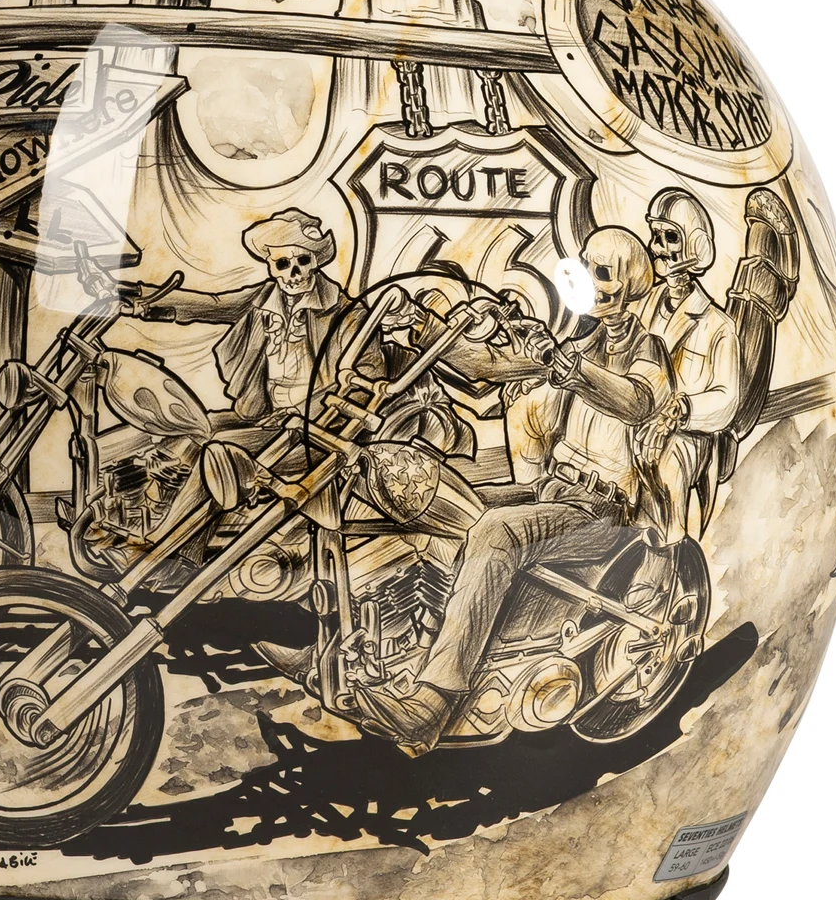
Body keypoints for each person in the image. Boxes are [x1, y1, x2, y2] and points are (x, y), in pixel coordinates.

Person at [344, 226, 675, 756]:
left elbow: (638, 401)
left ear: (632, 282)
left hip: (604, 511)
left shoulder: (647, 348)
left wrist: (572, 369)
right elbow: (485, 368)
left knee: (497, 533)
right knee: (426, 497)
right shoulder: (580, 343)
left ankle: (433, 703)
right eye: (586, 267)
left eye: (604, 273)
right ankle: (351, 652)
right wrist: (423, 326)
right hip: (553, 494)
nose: (590, 281)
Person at [122, 209, 347, 439]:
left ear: (316, 261)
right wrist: (141, 295)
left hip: (314, 424)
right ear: (270, 266)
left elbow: (355, 378)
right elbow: (213, 304)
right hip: (263, 413)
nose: (295, 273)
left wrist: (302, 412)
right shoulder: (263, 296)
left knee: (218, 447)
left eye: (303, 260)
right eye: (282, 263)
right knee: (188, 432)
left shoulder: (344, 310)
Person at [637, 186, 741, 540]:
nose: (657, 248)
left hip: (688, 436)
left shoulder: (718, 326)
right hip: (638, 418)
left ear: (694, 245)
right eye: (655, 236)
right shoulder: (642, 305)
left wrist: (682, 410)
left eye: (670, 238)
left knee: (665, 462)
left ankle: (672, 553)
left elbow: (727, 398)